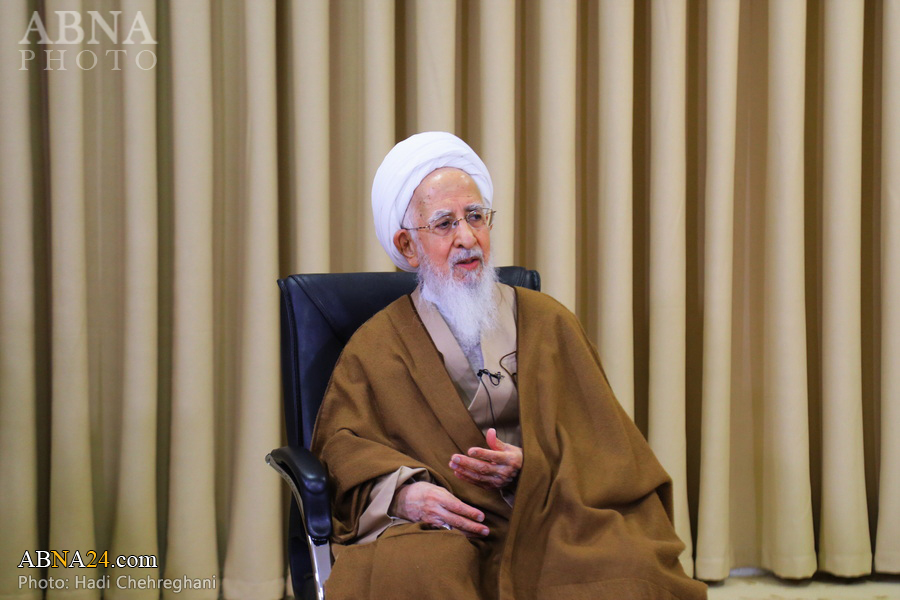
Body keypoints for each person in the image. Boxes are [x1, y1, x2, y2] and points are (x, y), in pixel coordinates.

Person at [310, 132, 707, 600]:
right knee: (418, 570)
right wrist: (401, 493)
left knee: (625, 564)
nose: (467, 238)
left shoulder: (549, 321)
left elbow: (610, 449)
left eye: (476, 216)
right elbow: (342, 448)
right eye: (444, 223)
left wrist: (532, 465)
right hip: (443, 523)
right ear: (408, 246)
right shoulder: (376, 346)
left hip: (547, 507)